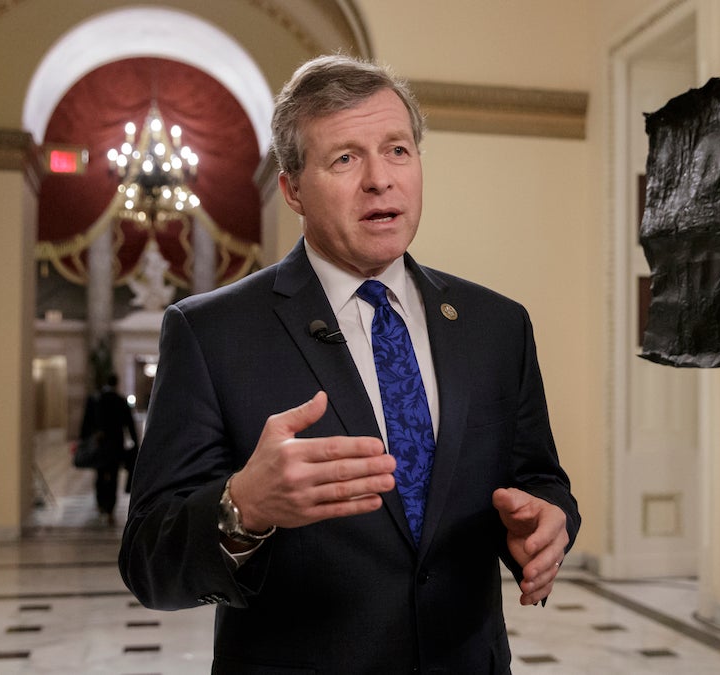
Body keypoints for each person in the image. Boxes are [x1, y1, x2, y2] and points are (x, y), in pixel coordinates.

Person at [118, 55, 580, 673]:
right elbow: (150, 561)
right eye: (344, 158)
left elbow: (539, 479)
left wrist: (546, 524)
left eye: (397, 150)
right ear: (292, 188)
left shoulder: (497, 325)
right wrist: (242, 508)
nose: (380, 180)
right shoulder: (210, 333)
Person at [81, 373, 138, 526]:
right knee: (113, 477)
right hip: (116, 445)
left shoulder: (97, 400)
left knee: (100, 475)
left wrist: (84, 440)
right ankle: (110, 509)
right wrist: (136, 443)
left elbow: (88, 423)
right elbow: (130, 425)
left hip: (101, 445)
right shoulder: (121, 401)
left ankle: (100, 504)